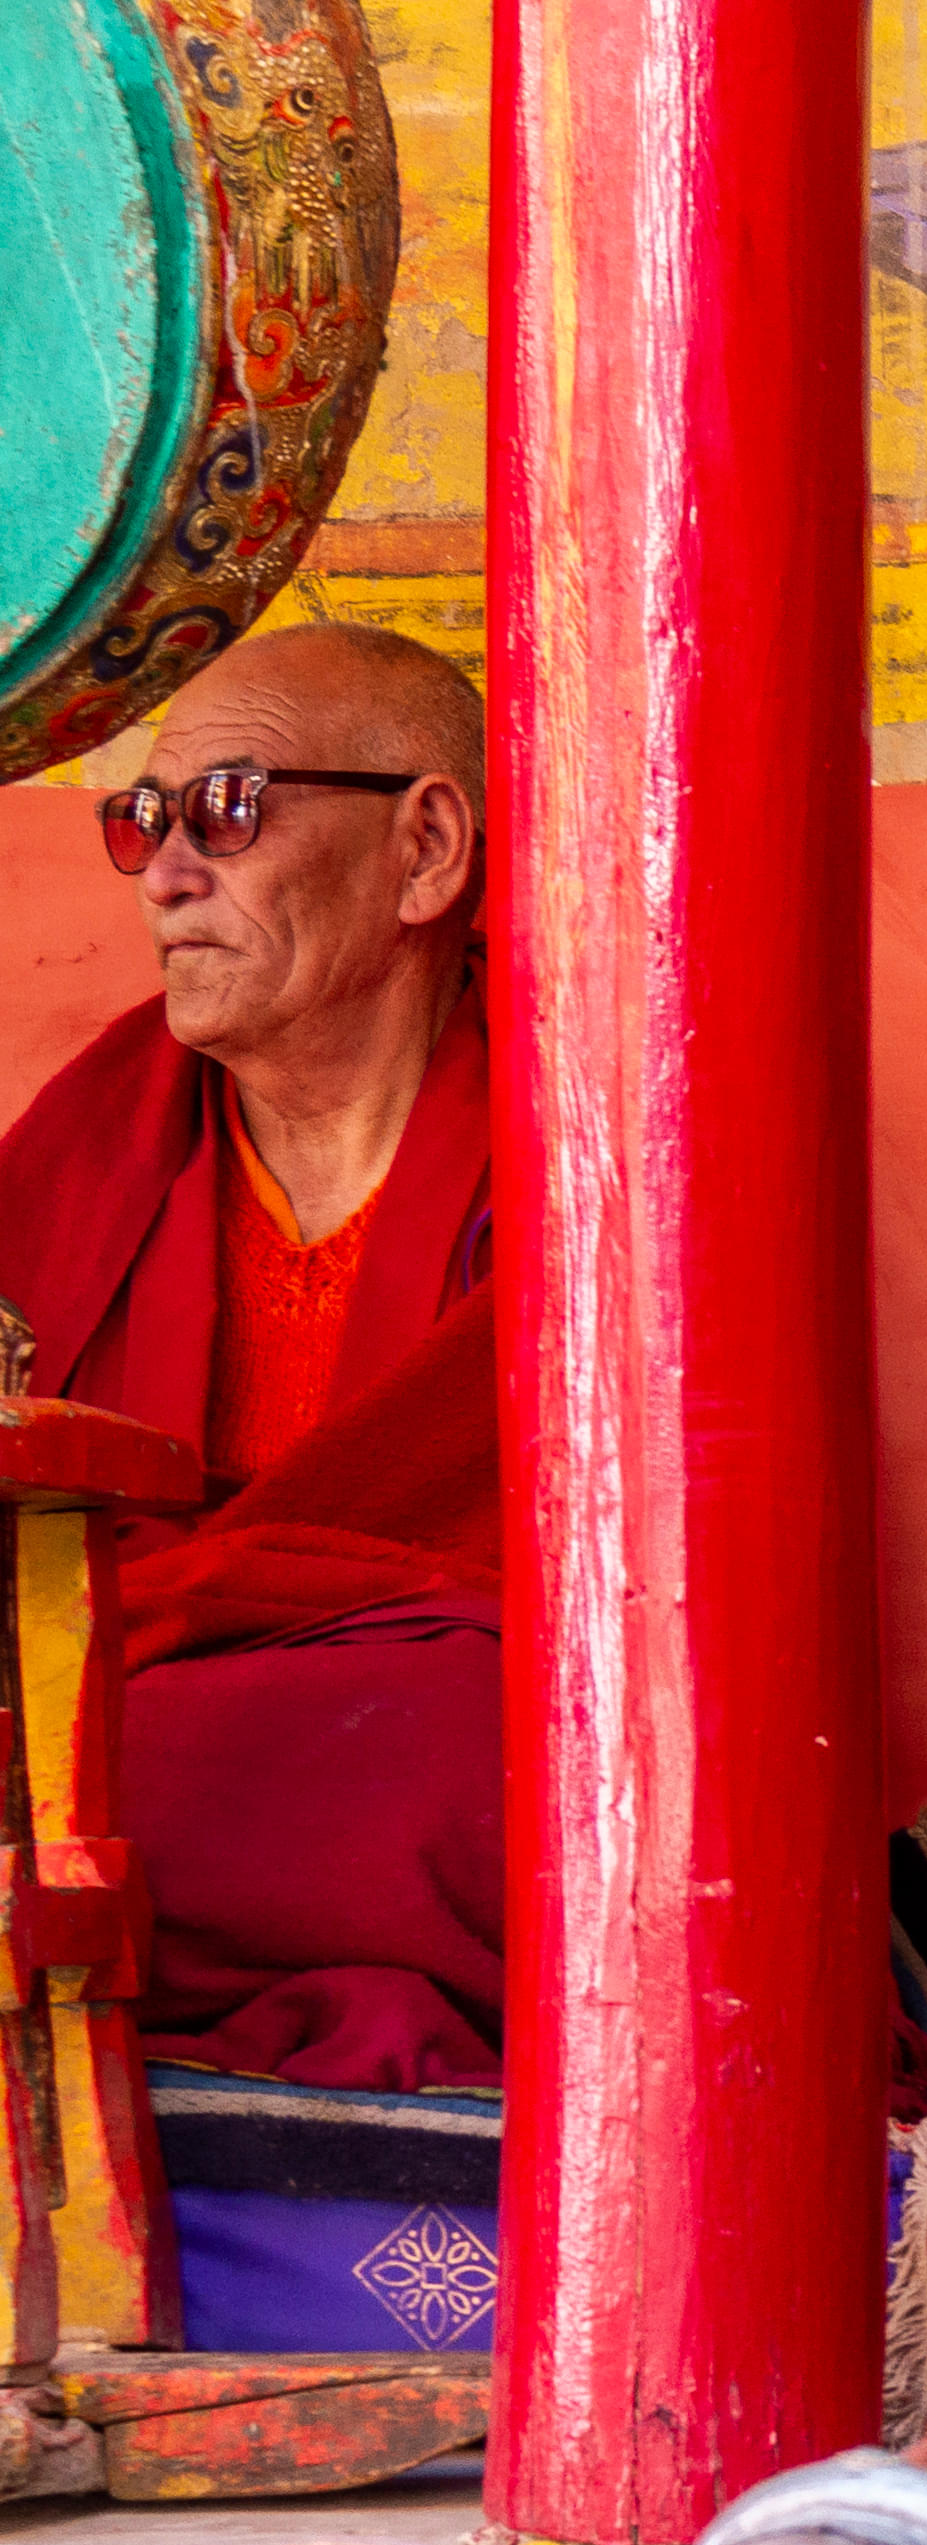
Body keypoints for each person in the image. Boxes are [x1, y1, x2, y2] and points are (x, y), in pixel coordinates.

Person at [0, 622, 503, 2091]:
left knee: (477, 1749)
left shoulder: (587, 1128)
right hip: (117, 1704)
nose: (164, 873)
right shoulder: (98, 1140)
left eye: (226, 809)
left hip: (406, 1741)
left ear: (425, 847)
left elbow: (671, 1585)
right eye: (139, 823)